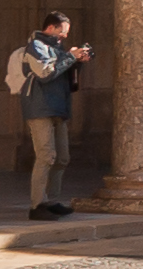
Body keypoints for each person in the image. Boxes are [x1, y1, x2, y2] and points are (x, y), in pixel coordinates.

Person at [8, 11, 92, 219]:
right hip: (39, 107)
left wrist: (78, 61)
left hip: (59, 107)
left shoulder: (58, 48)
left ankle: (52, 201)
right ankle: (38, 205)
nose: (64, 36)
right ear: (51, 28)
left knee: (62, 158)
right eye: (62, 32)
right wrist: (70, 56)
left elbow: (66, 78)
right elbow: (45, 74)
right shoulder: (35, 46)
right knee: (46, 155)